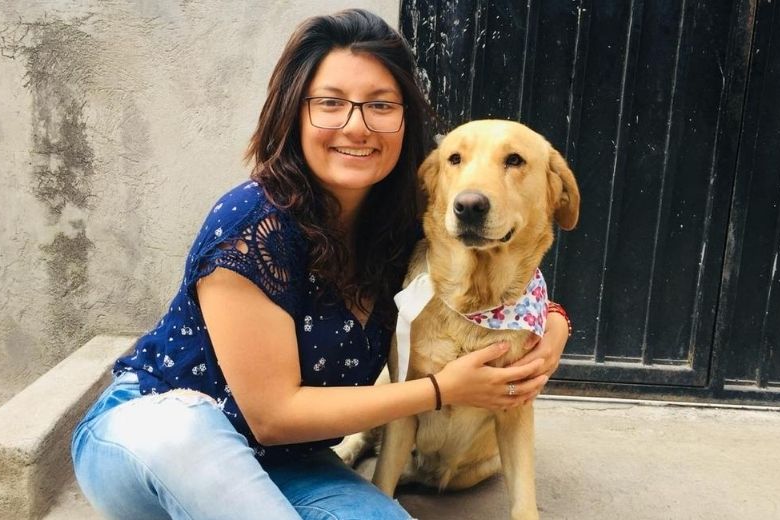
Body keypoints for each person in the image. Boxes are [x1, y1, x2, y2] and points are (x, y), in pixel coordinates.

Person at [70, 8, 570, 520]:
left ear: (406, 122)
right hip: (158, 431)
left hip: (290, 457)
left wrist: (553, 321)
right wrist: (440, 390)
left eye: (380, 105)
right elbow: (272, 414)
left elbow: (489, 279)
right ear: (294, 113)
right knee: (191, 438)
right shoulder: (252, 223)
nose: (357, 126)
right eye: (331, 103)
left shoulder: (401, 228)